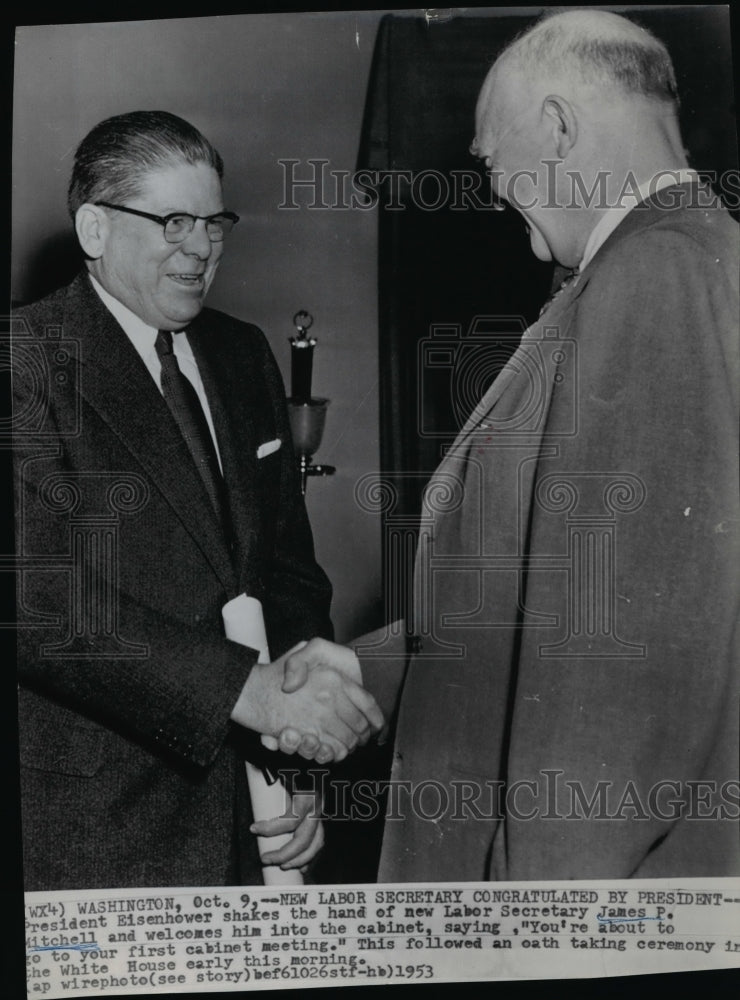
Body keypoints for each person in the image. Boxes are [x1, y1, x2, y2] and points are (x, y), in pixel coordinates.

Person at [277, 9, 739, 880]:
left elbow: (616, 682)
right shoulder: (666, 266)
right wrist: (364, 668)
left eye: (492, 159)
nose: (490, 191)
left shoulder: (655, 278)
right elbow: (554, 607)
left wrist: (537, 934)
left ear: (559, 129)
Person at [12, 110, 383, 891]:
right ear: (95, 229)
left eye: (214, 222)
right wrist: (252, 698)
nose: (201, 247)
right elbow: (39, 598)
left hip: (254, 818)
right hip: (96, 829)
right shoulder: (25, 362)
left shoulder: (242, 353)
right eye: (172, 221)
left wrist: (299, 763)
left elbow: (287, 572)